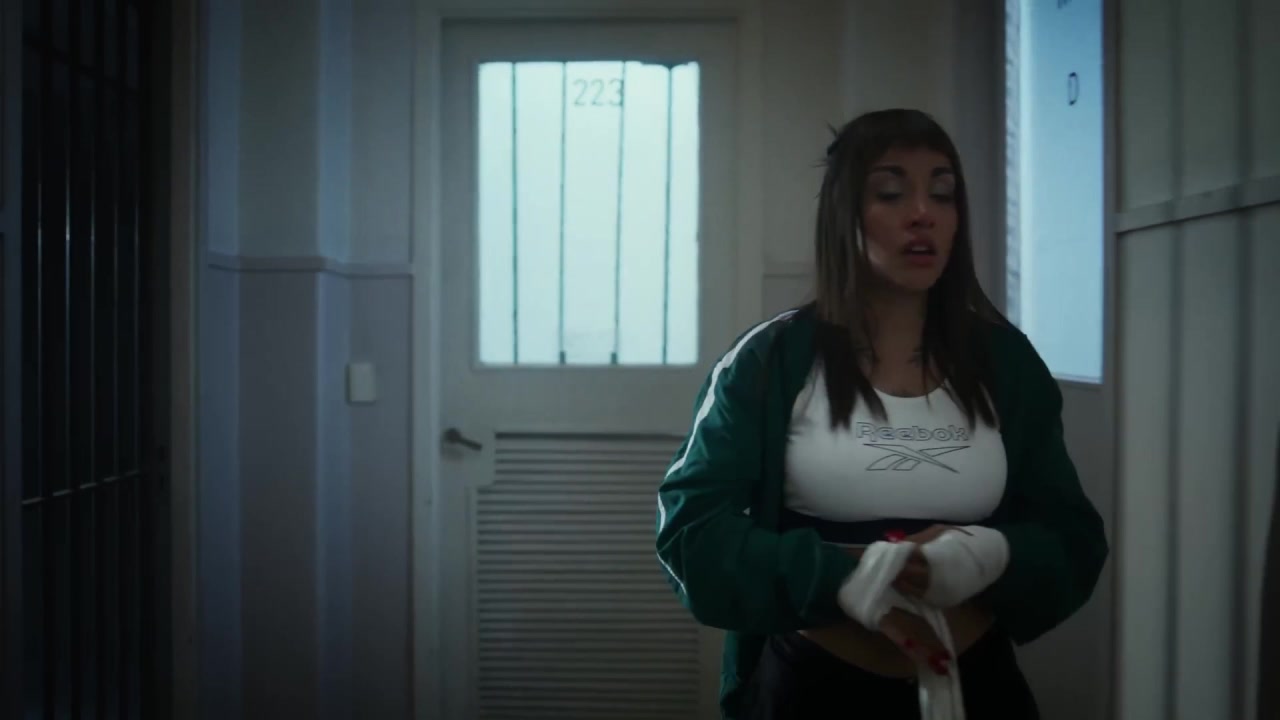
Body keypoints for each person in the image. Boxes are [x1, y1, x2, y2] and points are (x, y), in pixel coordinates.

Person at [655, 108, 1109, 719]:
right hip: (813, 692)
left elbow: (1074, 539)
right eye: (891, 193)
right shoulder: (768, 360)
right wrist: (851, 577)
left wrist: (987, 556)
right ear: (843, 215)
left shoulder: (1006, 362)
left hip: (976, 689)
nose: (923, 213)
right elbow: (692, 536)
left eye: (942, 194)